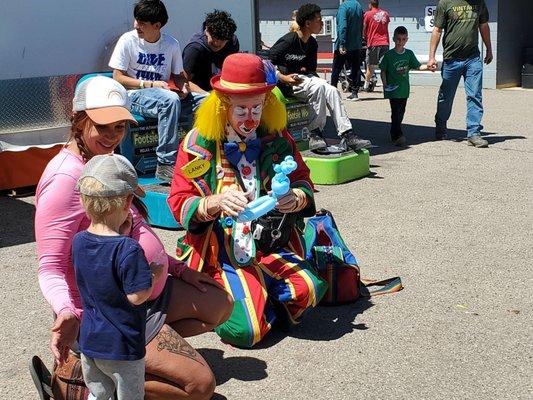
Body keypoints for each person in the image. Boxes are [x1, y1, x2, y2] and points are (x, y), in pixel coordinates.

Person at [35, 75, 233, 400]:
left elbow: (134, 235)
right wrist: (67, 311)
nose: (113, 135)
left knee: (219, 303)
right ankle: (80, 379)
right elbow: (51, 267)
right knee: (200, 387)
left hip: (144, 293)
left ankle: (125, 362)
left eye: (120, 127)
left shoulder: (105, 162)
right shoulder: (64, 180)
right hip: (110, 312)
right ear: (78, 121)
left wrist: (178, 269)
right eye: (103, 126)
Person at [167, 53, 328, 348]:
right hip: (221, 251)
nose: (251, 118)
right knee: (248, 332)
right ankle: (243, 298)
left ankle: (261, 295)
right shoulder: (196, 144)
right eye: (241, 110)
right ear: (223, 106)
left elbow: (303, 178)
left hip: (270, 243)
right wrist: (214, 202)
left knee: (310, 290)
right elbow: (178, 201)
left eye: (257, 107)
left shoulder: (277, 137)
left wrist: (296, 197)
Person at [73, 154, 165, 400]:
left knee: (99, 392)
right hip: (122, 345)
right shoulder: (128, 249)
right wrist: (152, 274)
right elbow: (136, 296)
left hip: (90, 341)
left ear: (84, 201)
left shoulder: (79, 241)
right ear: (128, 201)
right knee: (130, 395)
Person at [109, 0, 206, 183]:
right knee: (169, 99)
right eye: (136, 20)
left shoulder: (171, 44)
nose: (136, 25)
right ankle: (165, 164)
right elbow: (118, 77)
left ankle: (198, 155)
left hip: (165, 97)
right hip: (134, 95)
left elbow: (178, 75)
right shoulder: (127, 40)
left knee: (206, 102)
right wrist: (149, 85)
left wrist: (184, 86)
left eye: (141, 22)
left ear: (157, 25)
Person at [269, 3, 372, 152]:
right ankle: (315, 134)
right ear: (307, 23)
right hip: (286, 84)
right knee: (318, 87)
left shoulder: (312, 43)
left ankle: (348, 134)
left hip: (304, 81)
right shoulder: (288, 40)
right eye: (319, 19)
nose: (322, 22)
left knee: (331, 90)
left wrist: (314, 78)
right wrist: (282, 77)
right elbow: (266, 62)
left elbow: (310, 70)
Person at [428, 0, 492, 148]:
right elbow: (437, 30)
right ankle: (441, 125)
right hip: (451, 59)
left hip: (473, 58)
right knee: (446, 96)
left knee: (474, 95)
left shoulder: (479, 2)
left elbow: (483, 25)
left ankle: (474, 133)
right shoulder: (445, 3)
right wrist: (432, 56)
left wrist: (489, 48)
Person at [379, 26, 429, 146]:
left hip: (404, 89)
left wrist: (428, 66)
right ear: (394, 39)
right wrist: (385, 84)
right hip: (393, 89)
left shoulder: (409, 54)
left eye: (403, 39)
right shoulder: (389, 55)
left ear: (406, 40)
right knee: (395, 111)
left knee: (401, 112)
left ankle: (394, 131)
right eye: (398, 39)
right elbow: (383, 70)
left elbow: (417, 66)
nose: (400, 42)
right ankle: (398, 135)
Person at [183, 10, 239, 92]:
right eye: (213, 38)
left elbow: (233, 72)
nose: (217, 44)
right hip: (199, 93)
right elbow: (183, 81)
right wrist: (208, 97)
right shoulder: (195, 48)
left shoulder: (232, 42)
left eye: (222, 41)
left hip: (223, 90)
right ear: (207, 30)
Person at [330, 0, 365, 101]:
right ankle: (354, 93)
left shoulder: (344, 7)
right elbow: (361, 24)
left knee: (336, 68)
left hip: (344, 44)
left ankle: (333, 92)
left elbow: (342, 26)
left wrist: (342, 43)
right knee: (356, 68)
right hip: (356, 44)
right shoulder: (358, 6)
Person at [363, 0, 390, 91]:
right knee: (384, 67)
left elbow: (364, 28)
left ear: (370, 4)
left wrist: (364, 38)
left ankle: (366, 86)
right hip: (385, 42)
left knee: (370, 67)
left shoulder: (367, 14)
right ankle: (386, 86)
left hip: (373, 42)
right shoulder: (385, 14)